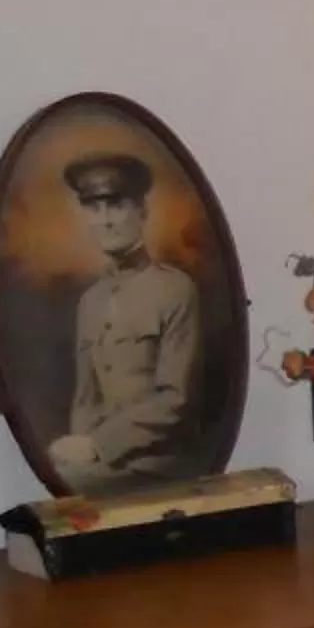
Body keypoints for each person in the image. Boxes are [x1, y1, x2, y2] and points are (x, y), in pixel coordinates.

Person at [48, 152, 200, 491]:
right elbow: (86, 399)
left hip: (160, 463)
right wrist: (79, 445)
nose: (105, 220)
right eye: (93, 208)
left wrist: (97, 445)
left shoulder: (175, 289)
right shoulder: (90, 302)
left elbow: (175, 400)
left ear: (141, 211)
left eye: (116, 206)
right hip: (104, 465)